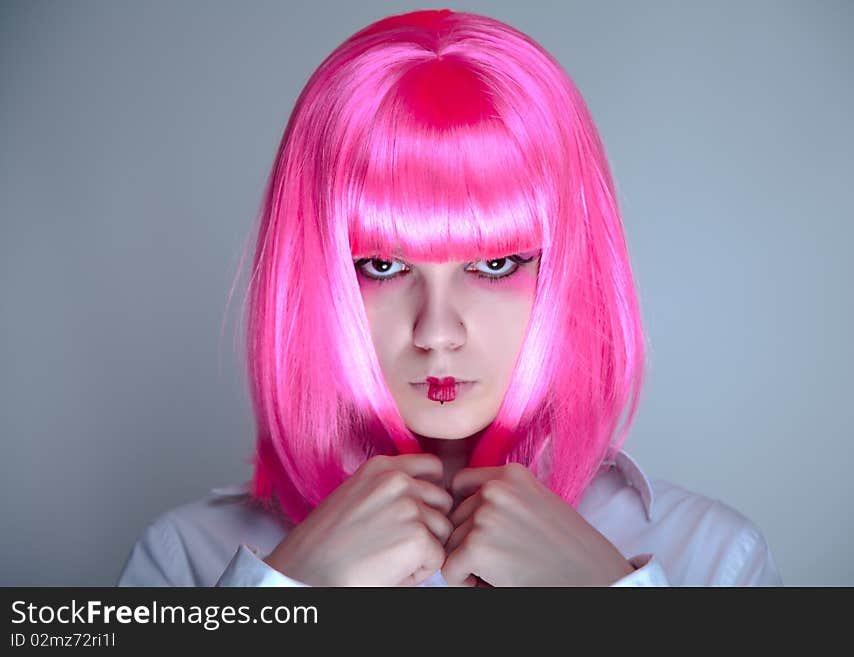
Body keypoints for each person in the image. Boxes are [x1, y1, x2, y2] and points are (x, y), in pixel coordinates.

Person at [117, 8, 782, 587]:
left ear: (572, 270)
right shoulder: (187, 558)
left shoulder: (712, 557)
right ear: (316, 277)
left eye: (495, 263)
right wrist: (285, 587)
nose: (437, 331)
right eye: (381, 264)